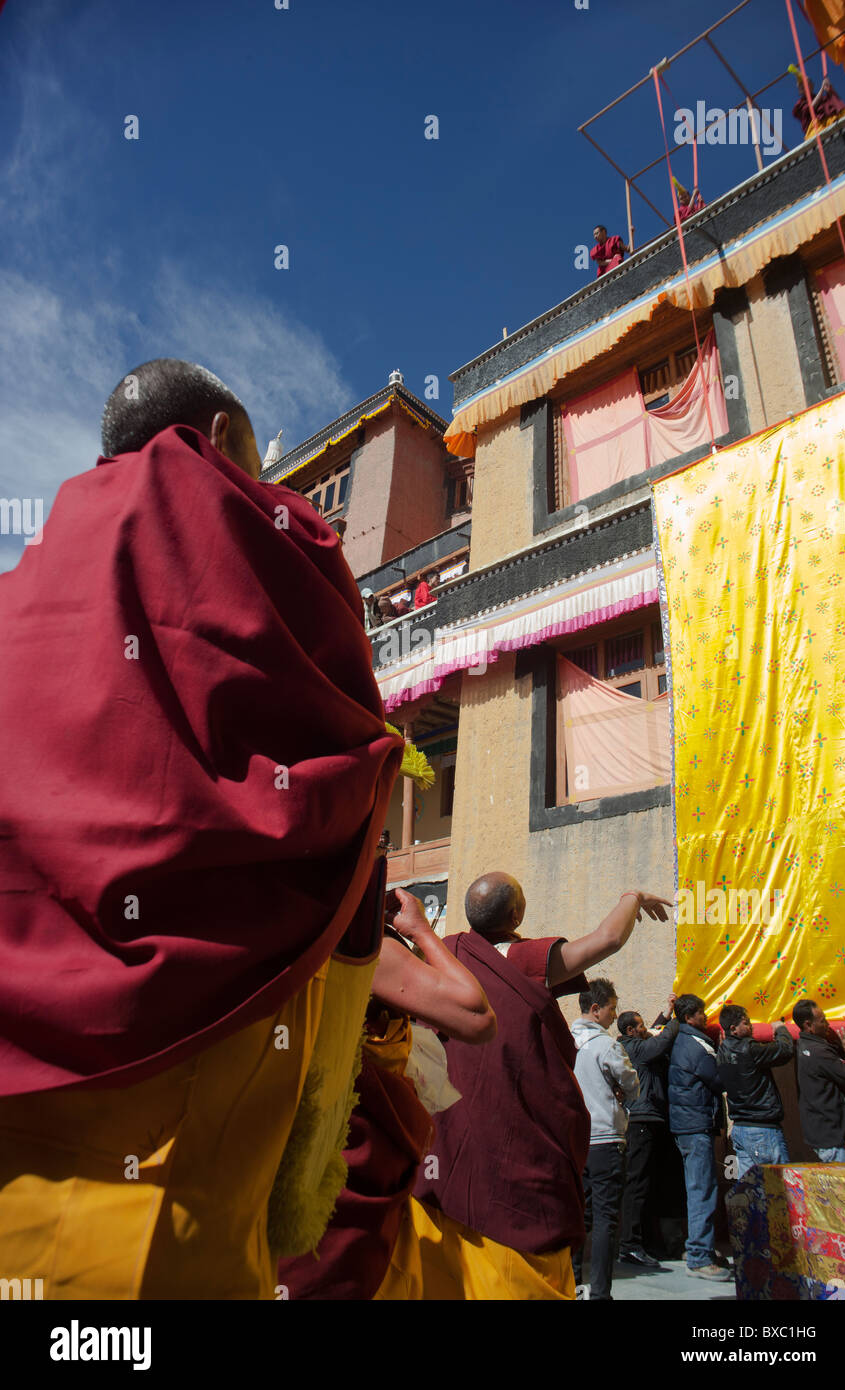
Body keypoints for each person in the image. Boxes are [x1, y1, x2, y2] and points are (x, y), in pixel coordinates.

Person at [0, 358, 403, 1299]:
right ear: (219, 439)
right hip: (190, 1057)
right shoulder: (258, 531)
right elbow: (341, 742)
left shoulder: (28, 577)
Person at [406, 878, 671, 1299]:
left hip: (450, 1138)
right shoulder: (523, 957)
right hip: (513, 1139)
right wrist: (632, 897)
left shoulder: (447, 954)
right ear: (515, 916)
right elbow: (607, 939)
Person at [280, 888, 496, 1299]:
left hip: (279, 1141)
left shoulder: (272, 928)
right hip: (347, 1150)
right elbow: (476, 1016)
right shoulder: (359, 943)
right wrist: (419, 931)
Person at [571, 978, 639, 1300]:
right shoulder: (606, 1046)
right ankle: (600, 1293)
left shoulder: (564, 1042)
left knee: (577, 1216)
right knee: (605, 1219)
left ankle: (570, 1284)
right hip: (605, 1138)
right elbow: (631, 1084)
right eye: (612, 1008)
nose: (615, 1015)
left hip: (574, 1141)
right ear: (596, 1010)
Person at [668, 994, 730, 1281]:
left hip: (688, 1125)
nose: (706, 1017)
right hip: (695, 1126)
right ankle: (699, 1255)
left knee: (698, 1188)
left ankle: (698, 1246)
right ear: (690, 1016)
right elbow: (718, 1079)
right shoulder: (695, 1046)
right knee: (702, 1189)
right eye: (702, 1013)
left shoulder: (685, 1041)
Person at [617, 994, 679, 1267]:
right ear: (631, 1030)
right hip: (641, 1122)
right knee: (637, 1184)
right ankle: (630, 1244)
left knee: (647, 1184)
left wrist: (666, 1014)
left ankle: (644, 1242)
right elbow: (660, 1040)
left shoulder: (636, 1044)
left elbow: (654, 1032)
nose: (645, 1029)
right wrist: (681, 1019)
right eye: (639, 1026)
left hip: (649, 1122)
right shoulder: (635, 1049)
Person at [717, 1004, 793, 1178]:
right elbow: (785, 1050)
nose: (751, 1026)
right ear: (733, 1029)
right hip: (762, 1130)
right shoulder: (749, 1049)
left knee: (750, 1190)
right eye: (746, 1023)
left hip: (740, 1128)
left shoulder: (722, 1050)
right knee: (781, 1189)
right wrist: (781, 1029)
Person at [792, 999, 845, 1163]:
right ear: (808, 1025)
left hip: (824, 1135)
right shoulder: (819, 1052)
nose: (827, 1024)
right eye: (822, 1021)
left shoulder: (804, 1045)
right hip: (835, 1139)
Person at [789, 67, 845, 139]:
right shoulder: (801, 103)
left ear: (811, 85)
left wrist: (829, 90)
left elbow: (835, 102)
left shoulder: (822, 98)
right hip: (816, 129)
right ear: (800, 90)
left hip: (830, 122)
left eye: (808, 83)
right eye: (802, 86)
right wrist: (822, 89)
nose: (806, 86)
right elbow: (810, 108)